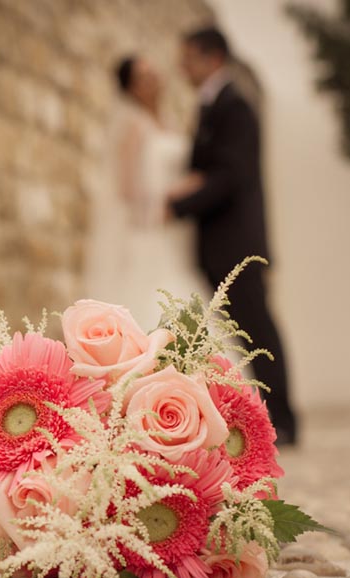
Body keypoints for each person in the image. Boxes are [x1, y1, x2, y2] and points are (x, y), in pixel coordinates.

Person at [167, 27, 300, 447]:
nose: (181, 67)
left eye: (188, 58)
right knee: (246, 334)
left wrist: (179, 204)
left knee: (259, 332)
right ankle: (273, 419)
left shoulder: (235, 106)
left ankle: (285, 421)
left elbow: (230, 175)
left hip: (237, 245)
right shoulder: (213, 106)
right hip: (220, 246)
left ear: (212, 59)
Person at [84, 55, 207, 330]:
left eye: (153, 72)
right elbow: (126, 188)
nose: (152, 80)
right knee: (157, 296)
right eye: (143, 77)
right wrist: (172, 196)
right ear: (131, 88)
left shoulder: (170, 121)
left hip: (178, 229)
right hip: (151, 225)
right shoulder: (133, 126)